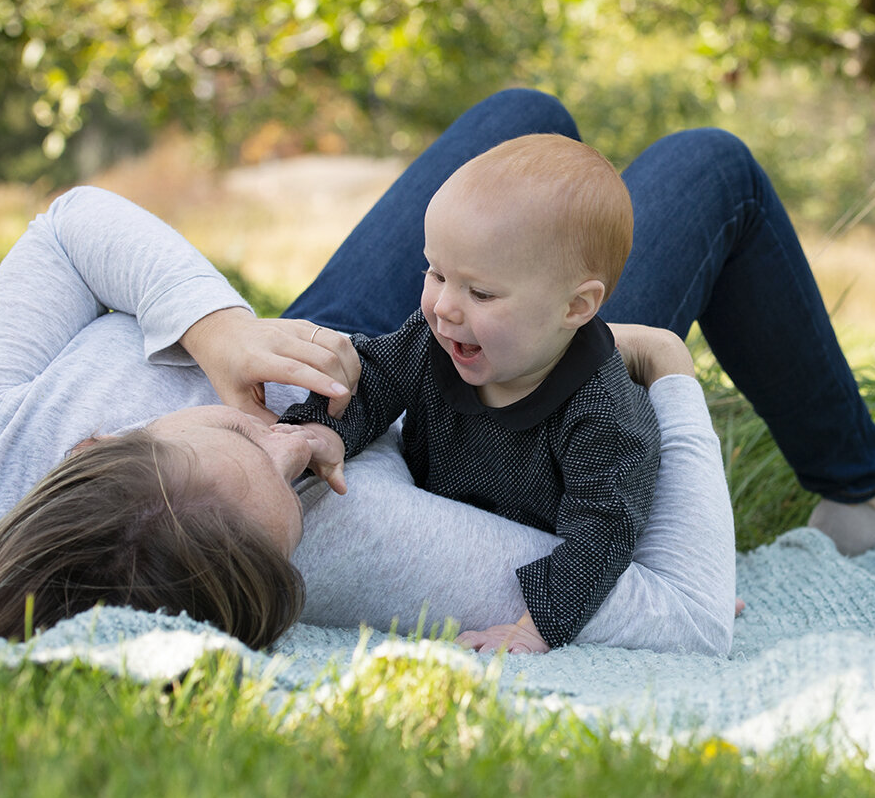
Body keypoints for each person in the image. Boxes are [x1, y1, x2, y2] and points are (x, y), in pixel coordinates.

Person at [0, 89, 875, 655]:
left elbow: (72, 228)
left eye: (241, 429)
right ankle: (857, 493)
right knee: (711, 167)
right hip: (471, 387)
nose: (299, 431)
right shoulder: (357, 533)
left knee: (525, 113)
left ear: (97, 444)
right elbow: (679, 613)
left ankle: (443, 278)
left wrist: (221, 333)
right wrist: (668, 371)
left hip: (310, 324)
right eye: (295, 483)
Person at [279, 134, 663, 652]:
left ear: (575, 307)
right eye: (435, 272)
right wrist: (323, 430)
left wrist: (535, 629)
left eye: (480, 292)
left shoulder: (603, 413)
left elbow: (602, 534)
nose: (444, 308)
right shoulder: (439, 338)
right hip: (438, 519)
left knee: (632, 522)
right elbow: (372, 380)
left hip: (536, 550)